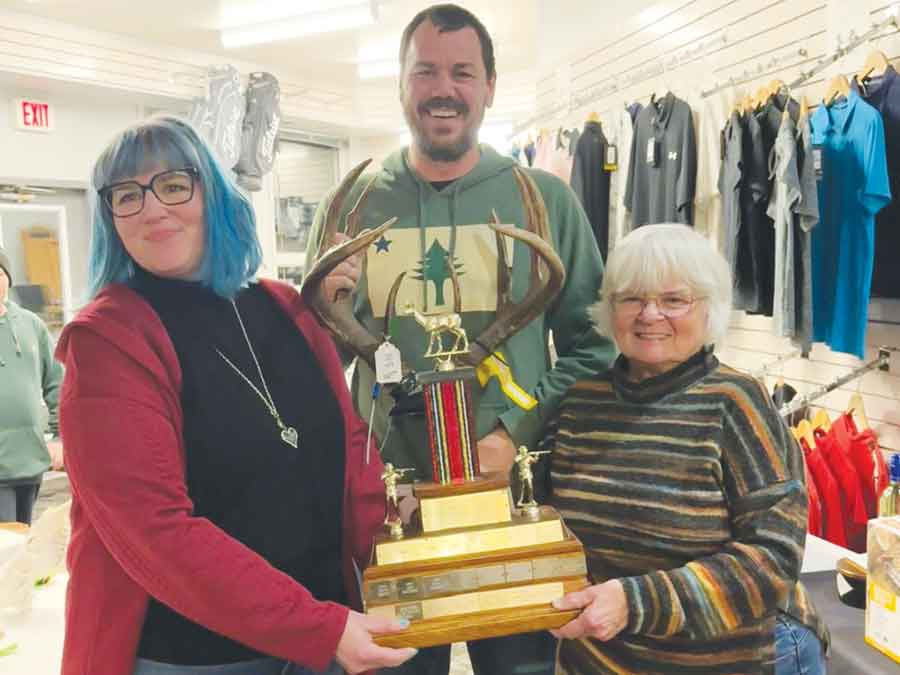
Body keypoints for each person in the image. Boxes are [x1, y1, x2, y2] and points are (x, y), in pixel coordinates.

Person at [308, 5, 615, 674]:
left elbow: (596, 347)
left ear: (490, 87)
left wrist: (516, 428)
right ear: (400, 84)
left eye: (462, 72)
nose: (442, 88)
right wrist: (324, 309)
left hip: (510, 514)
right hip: (391, 517)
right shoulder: (355, 204)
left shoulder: (546, 202)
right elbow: (313, 364)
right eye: (424, 70)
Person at [54, 116, 417, 675]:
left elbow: (349, 460)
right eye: (126, 195)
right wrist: (320, 627)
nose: (152, 209)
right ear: (110, 218)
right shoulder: (107, 340)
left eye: (173, 185)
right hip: (197, 658)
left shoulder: (285, 307)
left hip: (325, 637)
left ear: (215, 194)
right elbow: (156, 531)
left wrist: (419, 561)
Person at [546, 224, 829, 675]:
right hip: (605, 656)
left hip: (729, 656)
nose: (650, 314)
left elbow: (774, 556)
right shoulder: (583, 401)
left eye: (674, 300)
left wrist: (635, 602)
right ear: (609, 308)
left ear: (709, 310)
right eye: (632, 297)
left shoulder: (734, 402)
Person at [0, 244, 64, 524]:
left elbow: (57, 383)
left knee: (23, 543)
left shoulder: (31, 325)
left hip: (30, 460)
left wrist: (59, 436)